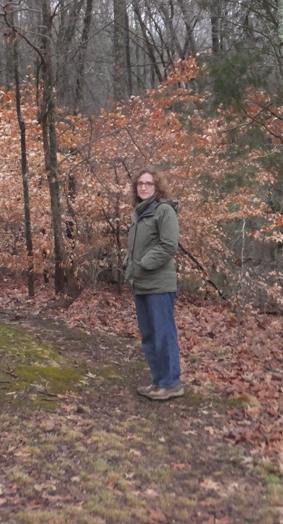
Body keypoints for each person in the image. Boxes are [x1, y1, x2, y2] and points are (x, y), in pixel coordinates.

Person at [123, 166, 183, 401]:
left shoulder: (164, 211)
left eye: (148, 183)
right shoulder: (139, 213)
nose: (144, 187)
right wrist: (130, 264)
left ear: (156, 187)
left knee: (163, 334)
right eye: (140, 184)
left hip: (159, 284)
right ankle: (158, 381)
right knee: (148, 335)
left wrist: (144, 263)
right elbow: (136, 247)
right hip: (141, 284)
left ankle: (171, 383)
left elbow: (169, 246)